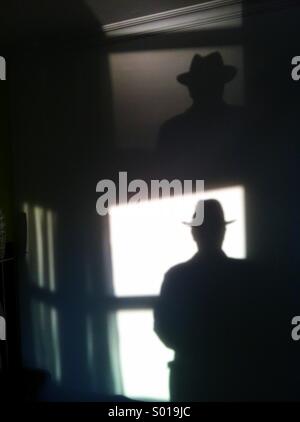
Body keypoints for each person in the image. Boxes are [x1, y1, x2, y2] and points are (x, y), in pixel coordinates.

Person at [154, 199, 260, 401]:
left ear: (193, 233)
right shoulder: (246, 274)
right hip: (236, 378)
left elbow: (163, 327)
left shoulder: (177, 276)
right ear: (223, 231)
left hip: (189, 378)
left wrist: (193, 349)